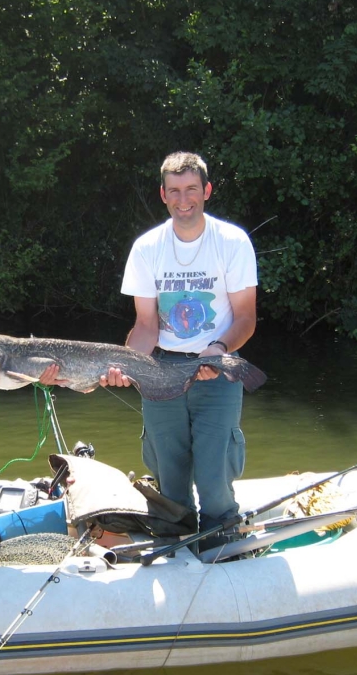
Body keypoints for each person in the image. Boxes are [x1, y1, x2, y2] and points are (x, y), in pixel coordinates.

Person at [102, 152, 258, 536]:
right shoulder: (147, 248)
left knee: (214, 477)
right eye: (174, 191)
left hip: (218, 368)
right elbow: (145, 325)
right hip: (161, 372)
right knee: (169, 479)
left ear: (206, 191)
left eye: (191, 189)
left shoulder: (232, 242)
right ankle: (178, 540)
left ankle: (222, 538)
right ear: (163, 194)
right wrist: (128, 366)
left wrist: (218, 349)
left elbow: (245, 318)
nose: (183, 199)